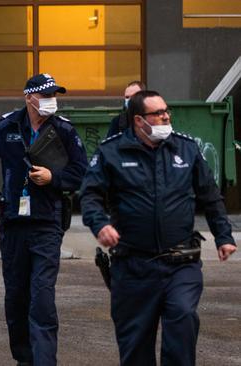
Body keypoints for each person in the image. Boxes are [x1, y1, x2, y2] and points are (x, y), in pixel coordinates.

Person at [80, 90, 237, 366]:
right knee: (135, 347)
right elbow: (90, 194)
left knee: (183, 319)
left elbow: (210, 196)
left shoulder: (186, 148)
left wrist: (223, 236)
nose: (166, 116)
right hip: (133, 268)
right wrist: (100, 224)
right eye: (158, 113)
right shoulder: (112, 152)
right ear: (139, 120)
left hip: (181, 263)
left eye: (167, 111)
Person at [0, 73, 87, 365]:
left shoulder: (63, 130)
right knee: (17, 297)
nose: (51, 101)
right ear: (29, 97)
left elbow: (82, 172)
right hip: (13, 224)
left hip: (47, 223)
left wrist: (53, 178)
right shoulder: (8, 125)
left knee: (42, 298)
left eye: (54, 95)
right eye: (45, 95)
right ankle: (24, 359)